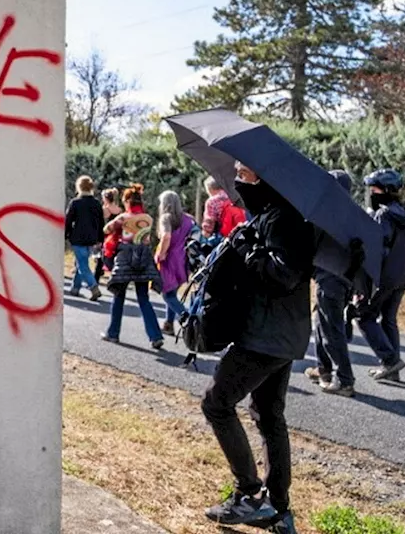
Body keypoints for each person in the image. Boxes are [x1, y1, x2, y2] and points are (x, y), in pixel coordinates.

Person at [201, 161, 315, 534]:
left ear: (264, 174)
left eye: (244, 169)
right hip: (278, 333)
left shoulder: (284, 217)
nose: (236, 174)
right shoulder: (271, 212)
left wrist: (247, 245)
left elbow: (284, 274)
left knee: (217, 403)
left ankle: (249, 494)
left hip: (267, 335)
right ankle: (278, 511)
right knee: (267, 414)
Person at [357, 169, 405, 382]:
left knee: (363, 316)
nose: (371, 193)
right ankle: (393, 369)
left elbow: (376, 248)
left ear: (386, 191)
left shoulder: (383, 215)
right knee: (389, 319)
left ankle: (390, 361)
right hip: (402, 275)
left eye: (374, 189)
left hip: (385, 277)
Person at [305, 170, 358, 397]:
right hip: (343, 278)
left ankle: (344, 380)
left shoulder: (327, 214)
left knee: (331, 330)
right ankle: (323, 369)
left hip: (331, 278)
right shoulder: (353, 214)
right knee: (320, 322)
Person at [102, 184, 164, 349]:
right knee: (143, 298)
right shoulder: (148, 218)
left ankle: (113, 333)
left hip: (125, 259)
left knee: (118, 295)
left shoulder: (123, 218)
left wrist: (116, 223)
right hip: (143, 258)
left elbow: (106, 229)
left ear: (128, 201)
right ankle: (155, 336)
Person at [155, 190, 195, 336]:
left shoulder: (166, 218)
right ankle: (168, 324)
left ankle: (189, 319)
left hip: (170, 258)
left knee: (167, 294)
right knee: (172, 291)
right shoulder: (189, 219)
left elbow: (166, 236)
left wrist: (161, 253)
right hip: (184, 258)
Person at [65, 176, 104, 301]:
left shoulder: (75, 203)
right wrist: (100, 238)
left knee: (83, 265)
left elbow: (68, 220)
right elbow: (101, 223)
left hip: (78, 237)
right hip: (91, 238)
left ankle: (93, 287)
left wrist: (66, 234)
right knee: (80, 263)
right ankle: (75, 288)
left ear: (78, 187)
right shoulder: (97, 203)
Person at [95, 188, 123, 282]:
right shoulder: (119, 209)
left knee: (100, 257)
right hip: (116, 235)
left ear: (106, 199)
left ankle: (96, 277)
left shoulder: (105, 209)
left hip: (105, 235)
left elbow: (100, 221)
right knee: (113, 256)